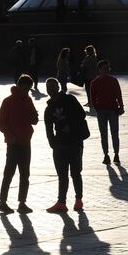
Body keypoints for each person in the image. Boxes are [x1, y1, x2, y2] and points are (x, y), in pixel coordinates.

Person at [0, 74, 39, 214]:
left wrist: (34, 116)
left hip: (26, 142)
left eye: (29, 89)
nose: (27, 92)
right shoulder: (8, 101)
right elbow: (0, 122)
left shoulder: (28, 100)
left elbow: (34, 120)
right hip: (13, 144)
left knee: (25, 175)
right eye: (25, 89)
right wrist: (10, 136)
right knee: (9, 173)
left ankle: (22, 203)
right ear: (19, 86)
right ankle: (2, 202)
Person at [44, 78, 87, 212]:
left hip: (72, 143)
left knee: (73, 173)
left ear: (58, 87)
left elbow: (81, 114)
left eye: (52, 87)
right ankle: (65, 201)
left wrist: (70, 126)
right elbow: (48, 128)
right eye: (48, 87)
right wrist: (53, 144)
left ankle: (75, 200)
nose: (50, 90)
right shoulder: (50, 107)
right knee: (67, 174)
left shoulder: (68, 100)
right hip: (64, 144)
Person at [90, 60, 124, 165]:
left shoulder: (113, 80)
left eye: (107, 68)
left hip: (112, 109)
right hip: (102, 111)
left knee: (114, 132)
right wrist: (97, 108)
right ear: (99, 69)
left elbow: (118, 94)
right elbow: (93, 97)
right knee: (103, 134)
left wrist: (121, 106)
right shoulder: (94, 83)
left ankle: (116, 154)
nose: (106, 70)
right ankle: (106, 154)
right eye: (104, 68)